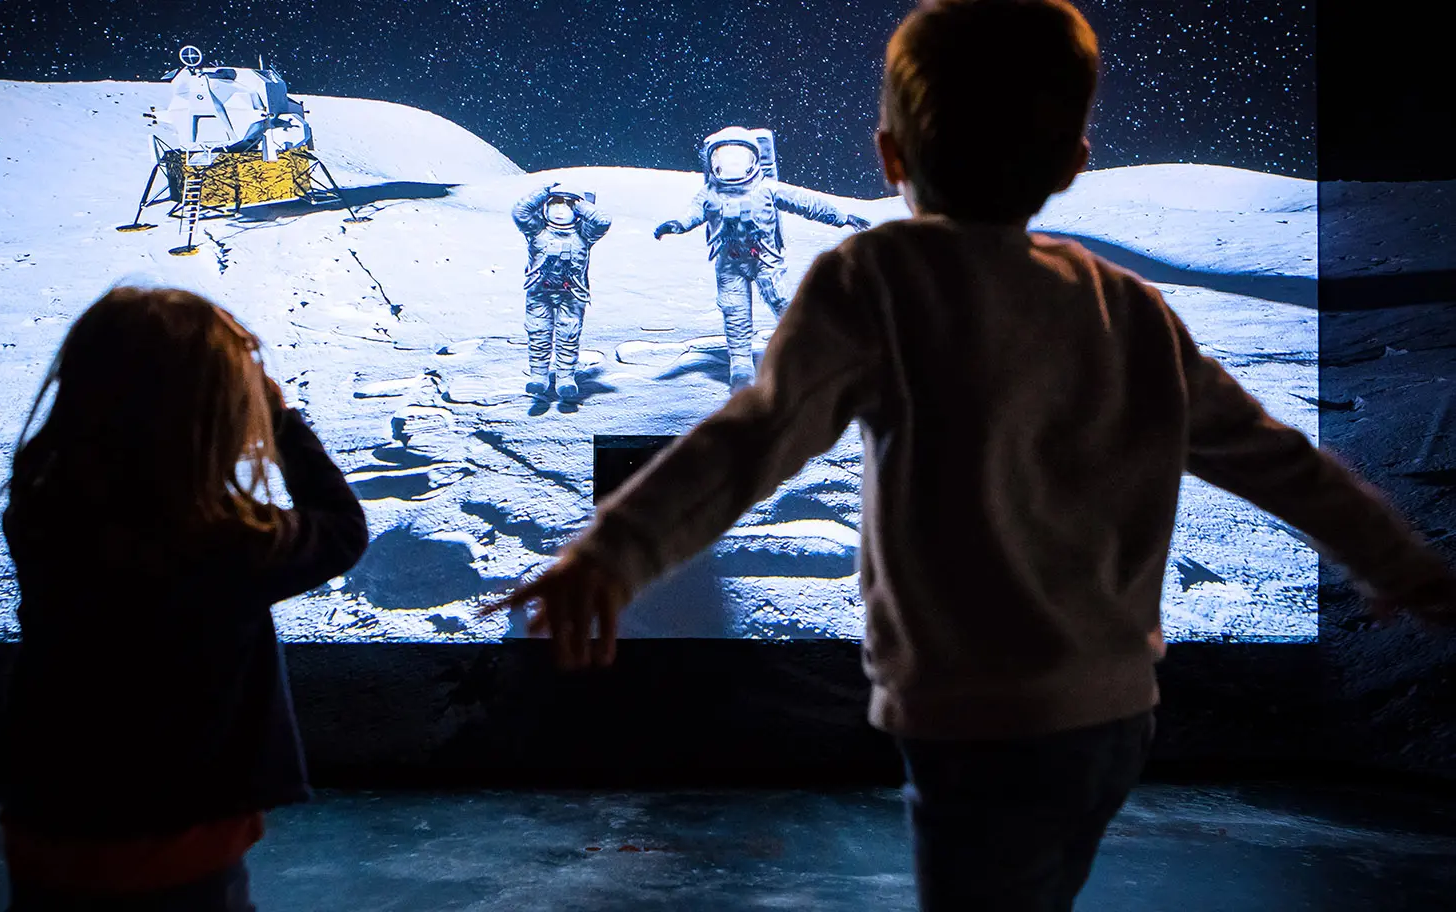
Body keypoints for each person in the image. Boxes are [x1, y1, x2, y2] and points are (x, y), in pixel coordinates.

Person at [488, 1, 1456, 909]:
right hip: (1113, 721)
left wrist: (611, 552)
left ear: (889, 152)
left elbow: (748, 445)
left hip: (966, 721)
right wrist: (1397, 559)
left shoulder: (874, 281)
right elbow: (1275, 458)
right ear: (1076, 158)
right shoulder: (1128, 309)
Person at [0, 286, 369, 910]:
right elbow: (341, 528)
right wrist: (279, 420)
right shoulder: (225, 543)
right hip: (183, 846)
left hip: (46, 822)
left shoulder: (41, 510)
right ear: (219, 412)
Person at [653, 126, 872, 391]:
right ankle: (741, 365)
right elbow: (692, 214)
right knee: (735, 312)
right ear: (714, 163)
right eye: (724, 158)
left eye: (738, 157)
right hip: (730, 263)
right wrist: (675, 225)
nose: (731, 164)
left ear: (753, 160)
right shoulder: (710, 194)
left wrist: (841, 217)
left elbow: (805, 202)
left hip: (766, 261)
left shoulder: (766, 189)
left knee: (783, 302)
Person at [513, 182, 612, 401]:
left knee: (569, 335)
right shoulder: (537, 231)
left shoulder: (583, 235)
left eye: (567, 204)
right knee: (538, 332)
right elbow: (519, 213)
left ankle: (566, 378)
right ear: (545, 207)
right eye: (555, 203)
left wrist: (582, 205)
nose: (560, 209)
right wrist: (543, 192)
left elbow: (602, 221)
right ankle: (538, 376)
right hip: (540, 290)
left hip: (572, 293)